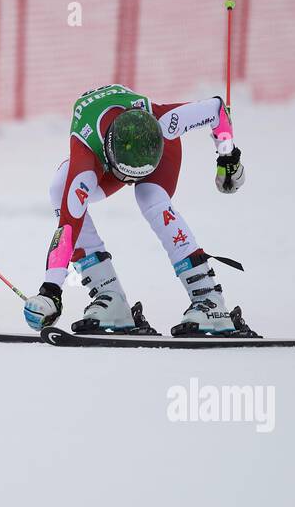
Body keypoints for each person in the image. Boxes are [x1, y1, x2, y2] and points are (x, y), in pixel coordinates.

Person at [23, 84, 252, 336]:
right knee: (60, 189)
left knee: (150, 195)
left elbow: (217, 109)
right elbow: (68, 225)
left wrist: (228, 157)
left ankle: (210, 300)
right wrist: (51, 290)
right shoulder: (86, 156)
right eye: (127, 178)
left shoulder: (165, 120)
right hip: (106, 157)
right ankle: (110, 297)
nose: (130, 183)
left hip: (157, 147)